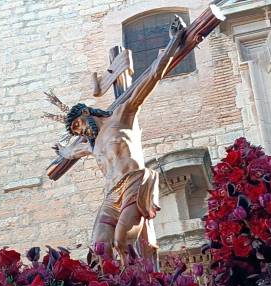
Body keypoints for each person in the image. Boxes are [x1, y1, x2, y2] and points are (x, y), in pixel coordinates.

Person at [46, 15, 190, 263]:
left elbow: (153, 75)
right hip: (111, 194)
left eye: (78, 124)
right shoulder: (91, 144)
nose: (80, 131)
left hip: (134, 181)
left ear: (86, 112)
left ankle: (139, 279)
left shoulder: (122, 115)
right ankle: (110, 283)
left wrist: (174, 41)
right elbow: (68, 153)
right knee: (100, 247)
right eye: (75, 131)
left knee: (123, 240)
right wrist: (62, 152)